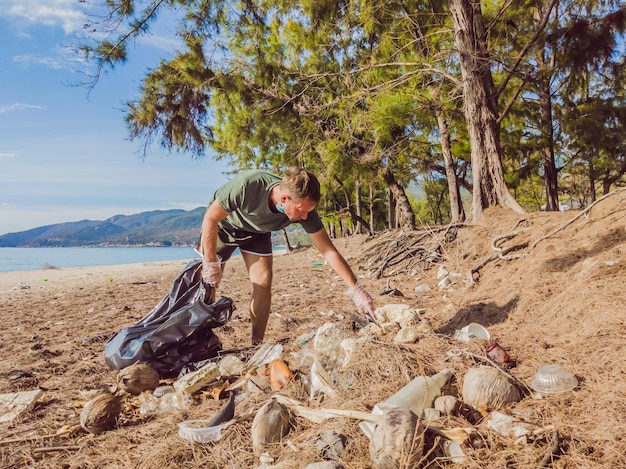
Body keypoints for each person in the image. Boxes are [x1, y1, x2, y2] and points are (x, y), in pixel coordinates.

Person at [197, 167, 376, 345]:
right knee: (209, 285)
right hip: (223, 227)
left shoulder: (305, 210)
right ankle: (200, 340)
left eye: (308, 211)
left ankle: (256, 345)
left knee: (264, 280)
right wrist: (211, 264)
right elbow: (210, 218)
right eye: (300, 210)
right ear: (284, 199)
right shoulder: (248, 184)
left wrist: (357, 290)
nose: (305, 217)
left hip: (258, 233)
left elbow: (328, 250)